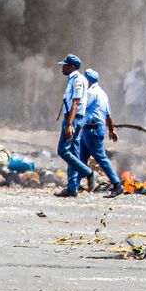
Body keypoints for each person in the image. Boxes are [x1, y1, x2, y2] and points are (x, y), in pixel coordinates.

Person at [54, 54, 94, 198]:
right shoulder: (74, 79)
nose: (62, 68)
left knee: (63, 150)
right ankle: (72, 188)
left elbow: (75, 103)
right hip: (74, 118)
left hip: (73, 119)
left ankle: (87, 172)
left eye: (65, 65)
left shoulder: (77, 80)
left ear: (72, 67)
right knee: (74, 152)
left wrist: (69, 124)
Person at [79, 69, 124, 198]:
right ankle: (74, 185)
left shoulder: (91, 93)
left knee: (101, 158)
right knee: (81, 158)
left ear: (88, 80)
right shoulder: (103, 93)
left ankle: (116, 185)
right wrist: (111, 130)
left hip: (91, 129)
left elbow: (81, 107)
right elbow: (108, 115)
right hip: (91, 129)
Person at [122, 60, 146, 125]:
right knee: (131, 120)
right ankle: (132, 133)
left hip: (141, 103)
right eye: (137, 66)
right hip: (131, 103)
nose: (138, 68)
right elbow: (124, 89)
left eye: (140, 66)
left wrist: (144, 77)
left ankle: (138, 134)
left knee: (140, 120)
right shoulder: (129, 75)